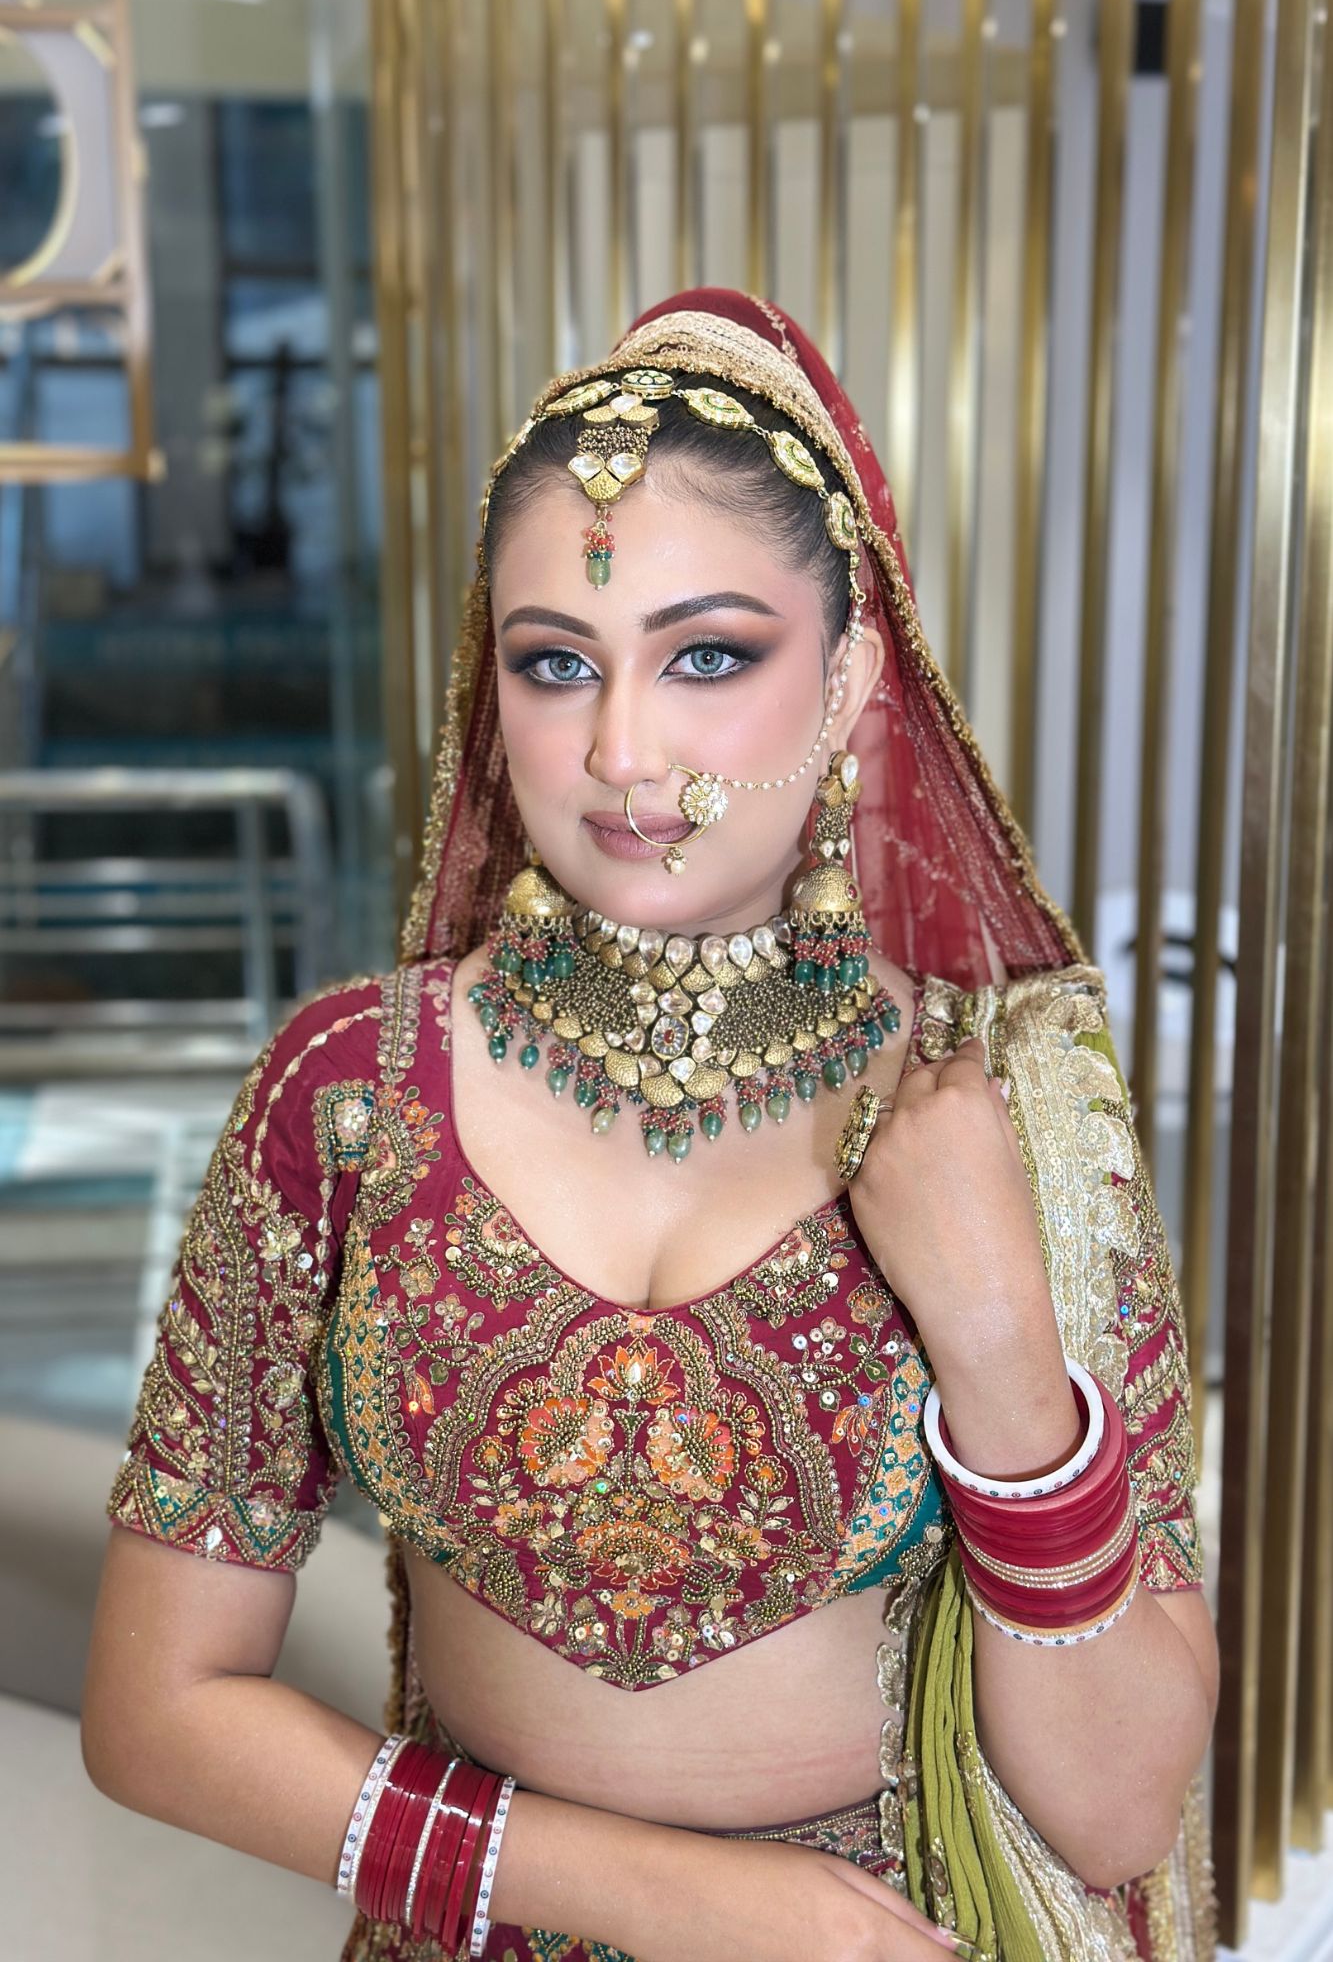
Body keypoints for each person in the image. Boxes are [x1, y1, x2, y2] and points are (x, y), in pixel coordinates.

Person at [82, 290, 1219, 1962]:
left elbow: (1118, 1813)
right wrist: (671, 1897)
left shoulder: (1004, 1103)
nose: (621, 751)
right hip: (497, 1926)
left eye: (706, 656)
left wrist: (993, 1348)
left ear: (848, 680)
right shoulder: (350, 1095)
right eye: (556, 663)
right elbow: (157, 1710)